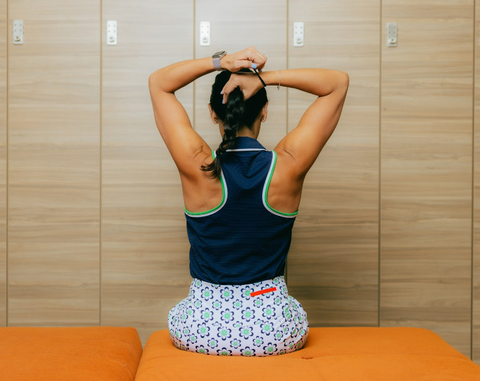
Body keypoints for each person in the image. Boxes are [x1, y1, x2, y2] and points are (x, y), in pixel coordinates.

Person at [148, 47, 349, 356]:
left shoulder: (197, 165)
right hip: (273, 332)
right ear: (264, 111)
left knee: (180, 314)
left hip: (201, 330)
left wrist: (221, 62)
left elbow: (159, 82)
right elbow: (337, 82)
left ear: (213, 113)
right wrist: (264, 79)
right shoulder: (288, 164)